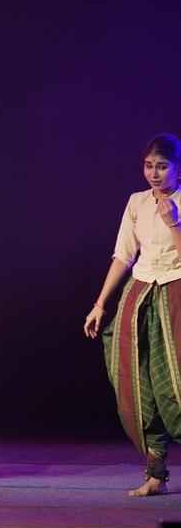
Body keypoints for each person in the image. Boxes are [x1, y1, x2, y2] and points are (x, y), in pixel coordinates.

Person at [84, 133, 181, 497]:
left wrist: (174, 222)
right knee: (136, 382)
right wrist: (100, 303)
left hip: (175, 289)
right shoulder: (137, 202)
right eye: (149, 166)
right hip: (139, 292)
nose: (154, 173)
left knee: (175, 384)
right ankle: (155, 474)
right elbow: (124, 254)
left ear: (178, 168)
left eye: (162, 166)